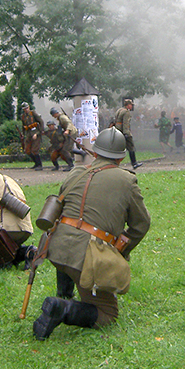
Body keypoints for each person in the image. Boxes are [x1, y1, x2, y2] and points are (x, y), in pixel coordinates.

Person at [32, 127, 151, 340]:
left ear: (95, 152)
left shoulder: (76, 172)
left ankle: (65, 292)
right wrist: (119, 251)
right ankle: (63, 308)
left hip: (55, 248)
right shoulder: (127, 180)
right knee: (107, 314)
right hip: (86, 257)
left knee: (73, 245)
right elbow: (141, 224)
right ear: (122, 157)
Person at [114, 98, 142, 169]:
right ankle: (134, 163)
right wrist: (126, 133)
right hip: (123, 131)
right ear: (128, 105)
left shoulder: (119, 110)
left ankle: (114, 163)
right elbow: (125, 123)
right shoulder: (126, 112)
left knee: (117, 148)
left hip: (117, 130)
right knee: (131, 146)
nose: (132, 106)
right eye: (131, 105)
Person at [50, 107, 78, 171]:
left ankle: (71, 165)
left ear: (55, 113)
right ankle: (71, 164)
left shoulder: (62, 117)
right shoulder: (60, 118)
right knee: (66, 149)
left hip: (71, 133)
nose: (53, 116)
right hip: (70, 133)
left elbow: (69, 123)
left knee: (66, 150)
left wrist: (67, 130)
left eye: (53, 115)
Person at [21, 103, 44, 171]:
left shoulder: (33, 113)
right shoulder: (23, 116)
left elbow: (41, 122)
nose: (26, 110)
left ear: (29, 107)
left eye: (26, 108)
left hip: (36, 133)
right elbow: (23, 126)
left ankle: (39, 165)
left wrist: (38, 133)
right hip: (28, 134)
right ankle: (36, 163)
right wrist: (23, 134)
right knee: (27, 150)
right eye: (24, 109)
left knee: (35, 150)